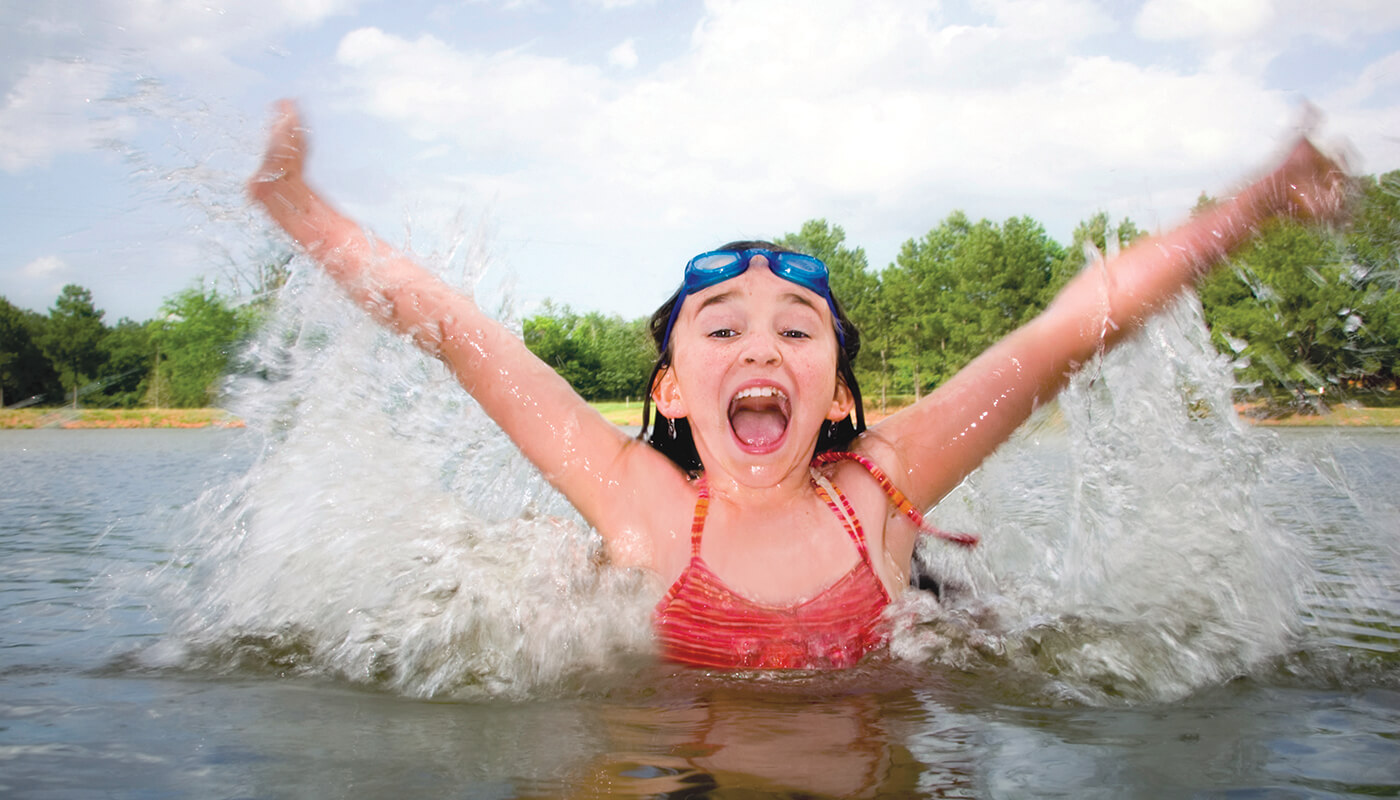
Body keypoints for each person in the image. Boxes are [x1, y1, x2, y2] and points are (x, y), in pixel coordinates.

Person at [248, 100, 1348, 671]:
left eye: (797, 328)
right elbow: (459, 333)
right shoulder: (636, 497)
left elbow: (1069, 331)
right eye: (719, 328)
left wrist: (1247, 206)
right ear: (674, 390)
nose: (761, 346)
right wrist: (300, 208)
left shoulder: (882, 476)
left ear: (832, 395)